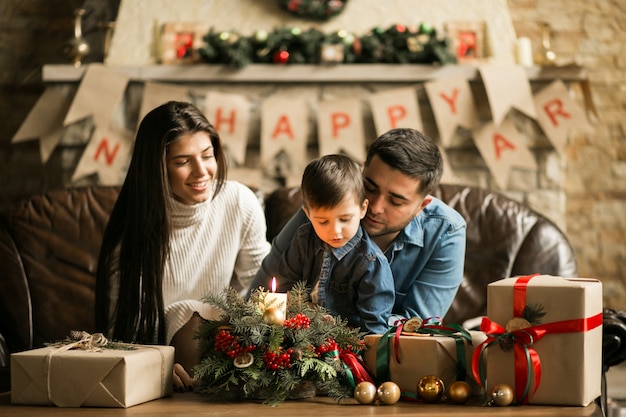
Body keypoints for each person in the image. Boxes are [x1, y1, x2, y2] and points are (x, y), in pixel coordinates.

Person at [95, 101, 271, 390]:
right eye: (182, 162)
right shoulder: (132, 229)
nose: (201, 172)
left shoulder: (240, 202)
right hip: (158, 359)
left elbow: (262, 293)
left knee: (203, 316)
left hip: (229, 346)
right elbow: (118, 333)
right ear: (157, 167)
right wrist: (158, 369)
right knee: (191, 316)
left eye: (207, 156)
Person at [249, 128, 466, 323]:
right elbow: (261, 296)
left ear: (422, 205)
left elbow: (416, 327)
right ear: (362, 171)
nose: (375, 206)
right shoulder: (327, 208)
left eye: (396, 201)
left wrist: (328, 321)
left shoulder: (446, 231)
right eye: (369, 187)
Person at [253, 154, 395, 334]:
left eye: (345, 219)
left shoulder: (371, 263)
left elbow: (374, 332)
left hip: (347, 346)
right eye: (322, 221)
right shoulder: (303, 239)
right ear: (308, 213)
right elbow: (283, 289)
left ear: (363, 209)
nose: (335, 231)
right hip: (298, 333)